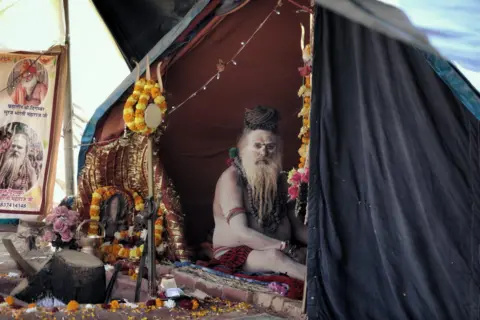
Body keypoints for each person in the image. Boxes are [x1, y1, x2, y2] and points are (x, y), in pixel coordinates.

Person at [212, 106, 308, 281]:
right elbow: (241, 232)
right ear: (242, 147)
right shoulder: (232, 179)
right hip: (239, 252)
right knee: (275, 257)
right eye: (257, 146)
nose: (264, 153)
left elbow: (298, 228)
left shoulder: (282, 181)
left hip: (281, 248)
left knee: (315, 254)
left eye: (270, 147)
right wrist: (286, 249)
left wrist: (323, 244)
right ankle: (323, 290)